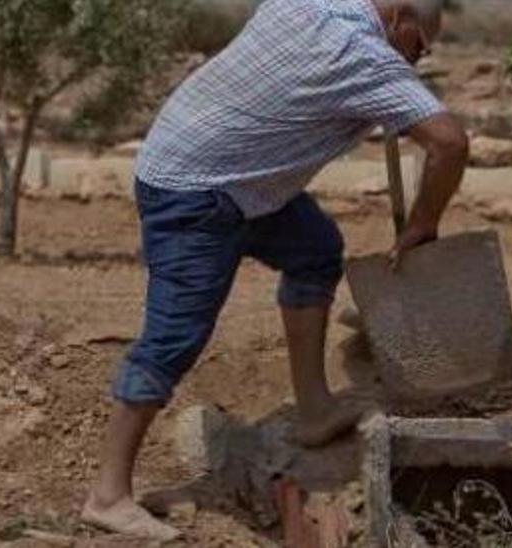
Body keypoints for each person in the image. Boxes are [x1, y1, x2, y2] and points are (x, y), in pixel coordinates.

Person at [80, 0, 466, 540]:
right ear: (399, 18)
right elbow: (449, 143)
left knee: (314, 249)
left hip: (224, 168)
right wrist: (423, 224)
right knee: (175, 337)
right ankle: (108, 495)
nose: (417, 63)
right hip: (195, 192)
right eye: (419, 48)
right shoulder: (363, 55)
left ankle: (312, 410)